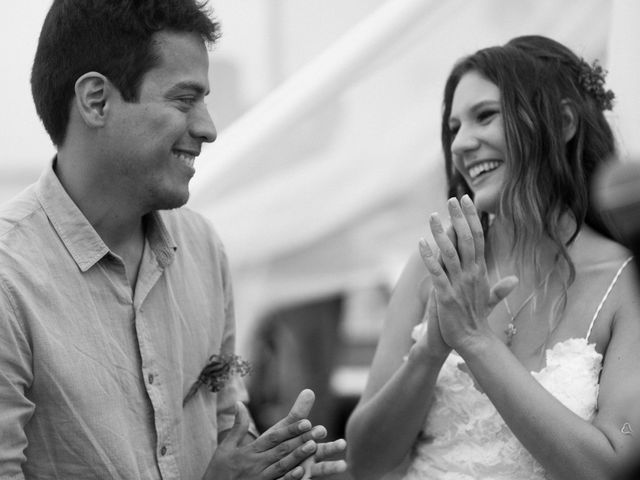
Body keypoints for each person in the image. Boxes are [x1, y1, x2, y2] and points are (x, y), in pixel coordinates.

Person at [0, 1, 346, 479]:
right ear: (96, 100)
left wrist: (272, 464)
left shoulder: (202, 247)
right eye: (184, 100)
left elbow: (227, 424)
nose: (208, 128)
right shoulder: (10, 280)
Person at [346, 35, 640, 479]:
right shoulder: (436, 268)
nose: (461, 144)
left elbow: (611, 469)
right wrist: (429, 350)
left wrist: (476, 341)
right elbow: (366, 463)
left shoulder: (625, 282)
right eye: (453, 128)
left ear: (562, 123)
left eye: (485, 116)